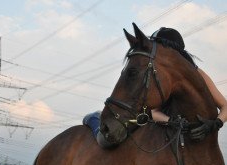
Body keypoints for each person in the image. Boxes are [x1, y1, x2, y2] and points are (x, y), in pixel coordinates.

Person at [83, 27, 227, 142]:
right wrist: (172, 121)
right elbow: (153, 112)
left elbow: (225, 105)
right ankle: (95, 119)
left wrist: (216, 123)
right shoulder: (158, 72)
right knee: (105, 141)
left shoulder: (198, 75)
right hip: (151, 122)